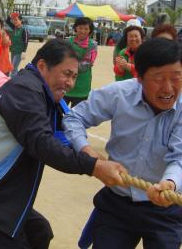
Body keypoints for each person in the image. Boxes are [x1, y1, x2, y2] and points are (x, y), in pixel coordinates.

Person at [0, 39, 127, 248]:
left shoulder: (41, 92)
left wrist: (87, 153)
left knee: (39, 231)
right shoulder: (24, 90)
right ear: (41, 66)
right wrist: (93, 167)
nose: (70, 83)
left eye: (74, 77)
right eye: (66, 74)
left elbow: (59, 135)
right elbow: (42, 143)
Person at [63, 37, 182, 249]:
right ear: (139, 78)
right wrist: (88, 153)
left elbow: (179, 157)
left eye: (176, 77)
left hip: (166, 211)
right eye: (158, 78)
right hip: (117, 206)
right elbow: (73, 118)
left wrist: (170, 184)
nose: (168, 88)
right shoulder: (119, 94)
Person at [63, 17, 97, 107]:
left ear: (90, 30)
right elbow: (61, 59)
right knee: (58, 113)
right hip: (64, 83)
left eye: (86, 29)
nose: (83, 31)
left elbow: (86, 65)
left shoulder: (92, 45)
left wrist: (68, 65)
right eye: (80, 28)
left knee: (77, 116)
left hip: (82, 86)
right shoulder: (67, 42)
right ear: (75, 28)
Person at [6, 12, 28, 77]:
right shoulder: (14, 28)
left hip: (19, 52)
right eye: (13, 20)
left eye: (16, 20)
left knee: (13, 68)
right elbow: (7, 21)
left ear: (20, 20)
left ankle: (13, 82)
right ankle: (18, 79)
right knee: (14, 67)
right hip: (13, 51)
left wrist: (24, 51)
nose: (14, 21)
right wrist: (11, 15)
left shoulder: (24, 30)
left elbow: (26, 41)